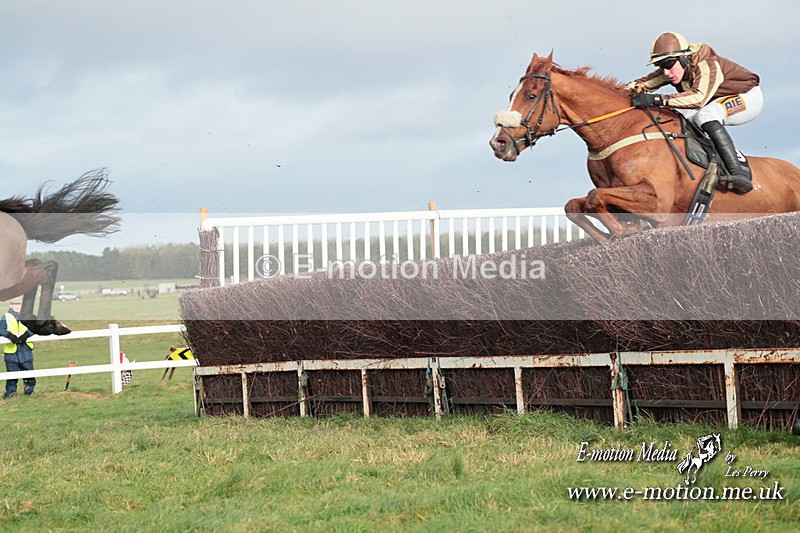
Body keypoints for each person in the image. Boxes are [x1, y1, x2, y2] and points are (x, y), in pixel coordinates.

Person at [627, 31, 762, 194]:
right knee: (679, 115)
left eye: (669, 64)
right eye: (661, 66)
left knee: (706, 115)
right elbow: (640, 85)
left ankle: (739, 174)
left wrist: (657, 99)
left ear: (684, 58)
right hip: (713, 101)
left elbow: (698, 98)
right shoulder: (673, 68)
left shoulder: (707, 64)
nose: (666, 72)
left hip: (746, 96)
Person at [1, 302, 36, 398]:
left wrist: (26, 335)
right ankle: (10, 394)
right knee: (12, 375)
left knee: (29, 373)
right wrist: (10, 335)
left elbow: (35, 328)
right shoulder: (6, 317)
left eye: (19, 304)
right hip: (11, 352)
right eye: (15, 304)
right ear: (10, 305)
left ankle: (29, 393)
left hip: (26, 350)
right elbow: (1, 329)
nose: (17, 306)